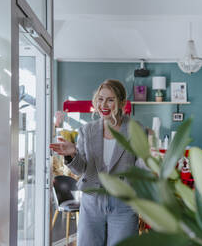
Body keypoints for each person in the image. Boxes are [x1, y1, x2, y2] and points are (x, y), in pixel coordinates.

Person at [50, 79, 146, 246]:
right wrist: (72, 154)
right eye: (100, 99)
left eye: (110, 99)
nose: (104, 104)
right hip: (92, 202)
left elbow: (141, 168)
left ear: (121, 102)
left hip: (123, 204)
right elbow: (81, 169)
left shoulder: (136, 129)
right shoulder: (87, 130)